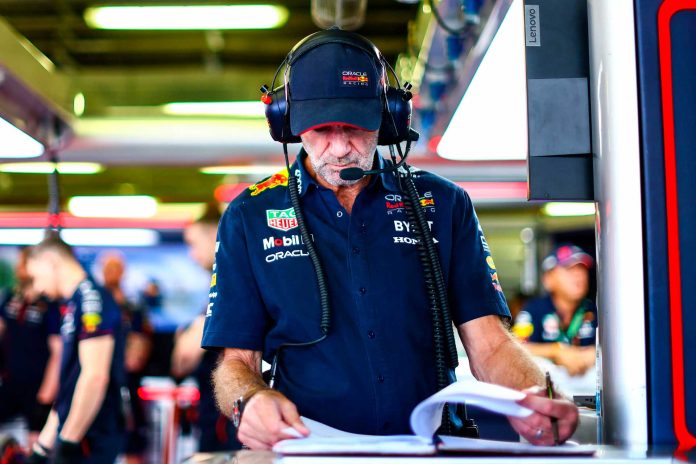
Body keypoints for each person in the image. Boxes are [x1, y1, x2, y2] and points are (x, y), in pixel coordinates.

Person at [202, 29, 579, 450]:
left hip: (433, 448)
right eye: (322, 129)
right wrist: (250, 401)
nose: (340, 148)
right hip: (309, 449)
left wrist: (537, 397)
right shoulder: (248, 217)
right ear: (288, 122)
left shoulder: (444, 203)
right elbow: (236, 362)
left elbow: (489, 344)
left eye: (355, 126)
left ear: (388, 117)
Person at [25, 234, 126, 463]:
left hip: (91, 437)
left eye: (37, 277)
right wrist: (42, 448)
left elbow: (95, 377)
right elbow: (69, 385)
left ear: (51, 262)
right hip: (77, 435)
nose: (38, 287)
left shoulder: (92, 300)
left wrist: (69, 442)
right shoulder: (74, 302)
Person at [171, 206, 241, 452]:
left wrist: (190, 333)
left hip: (229, 426)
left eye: (194, 244)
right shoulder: (219, 288)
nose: (192, 255)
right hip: (219, 419)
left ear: (214, 236)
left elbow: (184, 356)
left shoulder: (233, 287)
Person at [0, 248, 62, 449]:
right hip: (9, 382)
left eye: (23, 264)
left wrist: (47, 393)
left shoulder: (49, 304)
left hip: (37, 386)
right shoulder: (10, 297)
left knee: (35, 445)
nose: (18, 268)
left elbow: (58, 351)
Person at [512, 244, 597, 377]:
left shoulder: (595, 310)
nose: (578, 274)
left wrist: (597, 353)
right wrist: (556, 352)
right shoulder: (534, 309)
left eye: (582, 268)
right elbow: (515, 348)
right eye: (569, 268)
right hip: (547, 387)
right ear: (548, 279)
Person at [100, 253, 152, 463]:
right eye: (108, 268)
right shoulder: (96, 304)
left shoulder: (133, 307)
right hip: (100, 379)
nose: (112, 273)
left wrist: (134, 356)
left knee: (131, 436)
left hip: (127, 382)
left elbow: (142, 340)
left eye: (116, 268)